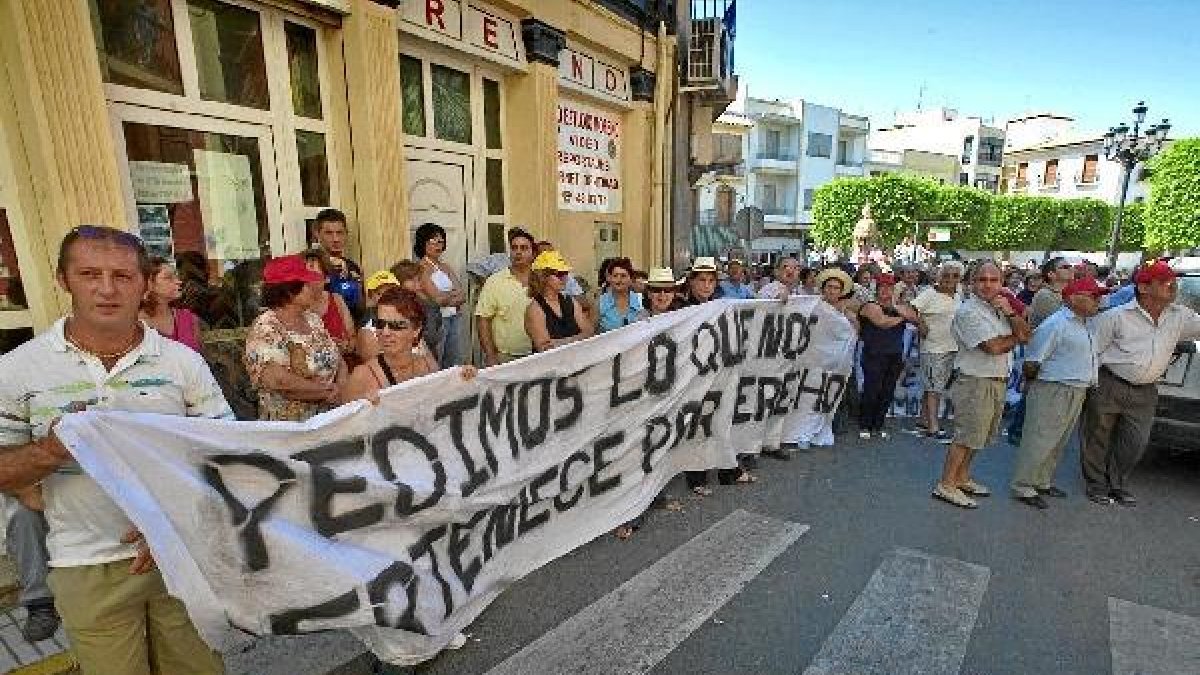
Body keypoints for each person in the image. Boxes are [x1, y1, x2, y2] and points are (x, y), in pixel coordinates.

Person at [0, 224, 230, 673]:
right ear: (63, 279)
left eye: (122, 276)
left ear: (144, 283)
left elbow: (223, 459)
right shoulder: (17, 370)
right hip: (85, 563)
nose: (107, 289)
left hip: (183, 552)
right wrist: (51, 450)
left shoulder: (182, 363)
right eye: (89, 274)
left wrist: (170, 521)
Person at [1084, 260, 1200, 506]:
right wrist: (1091, 386)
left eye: (1173, 281)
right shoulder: (1117, 317)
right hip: (1109, 383)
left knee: (1136, 442)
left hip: (1146, 391)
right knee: (1097, 436)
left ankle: (1116, 482)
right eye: (1165, 281)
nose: (1173, 286)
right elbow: (1090, 352)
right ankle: (1096, 484)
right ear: (1144, 288)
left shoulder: (1180, 316)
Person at [934, 262, 1030, 509]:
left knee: (980, 436)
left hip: (996, 380)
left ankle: (962, 477)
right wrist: (1016, 335)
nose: (988, 284)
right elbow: (993, 347)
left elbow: (1024, 333)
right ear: (971, 283)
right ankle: (946, 484)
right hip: (975, 381)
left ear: (1001, 283)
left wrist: (1011, 314)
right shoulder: (969, 312)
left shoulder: (999, 307)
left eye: (993, 280)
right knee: (966, 436)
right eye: (982, 280)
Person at [1010, 278, 1106, 509]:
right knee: (1040, 437)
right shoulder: (1057, 323)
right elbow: (1033, 360)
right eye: (1093, 296)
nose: (1098, 300)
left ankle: (1041, 481)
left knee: (1057, 440)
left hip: (1075, 388)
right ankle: (1024, 485)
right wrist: (1035, 385)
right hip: (1054, 387)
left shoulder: (1084, 323)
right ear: (1073, 299)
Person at [615, 268, 684, 540]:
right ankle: (634, 511)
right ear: (649, 295)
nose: (663, 295)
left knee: (662, 446)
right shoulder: (636, 322)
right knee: (641, 451)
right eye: (657, 291)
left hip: (672, 393)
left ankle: (658, 495)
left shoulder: (684, 319)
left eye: (667, 290)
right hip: (644, 395)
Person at [245, 255, 347, 421]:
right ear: (289, 292)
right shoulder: (266, 328)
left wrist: (341, 387)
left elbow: (338, 359)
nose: (313, 286)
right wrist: (325, 391)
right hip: (291, 428)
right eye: (306, 284)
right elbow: (279, 381)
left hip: (329, 417)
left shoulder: (313, 320)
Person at [344, 288, 477, 402]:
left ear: (416, 330)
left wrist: (462, 380)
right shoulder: (362, 376)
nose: (385, 332)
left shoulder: (428, 365)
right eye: (379, 324)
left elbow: (442, 401)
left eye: (396, 325)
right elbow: (342, 427)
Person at [857, 276, 917, 439]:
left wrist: (899, 309)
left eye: (889, 288)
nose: (886, 291)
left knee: (887, 391)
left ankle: (878, 424)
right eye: (882, 287)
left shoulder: (898, 306)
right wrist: (902, 316)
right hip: (874, 354)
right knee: (872, 389)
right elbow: (882, 322)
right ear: (876, 289)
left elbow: (915, 318)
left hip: (894, 354)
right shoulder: (870, 306)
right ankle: (865, 424)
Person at [910, 262, 963, 441]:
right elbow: (910, 309)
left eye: (955, 276)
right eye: (946, 275)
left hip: (952, 347)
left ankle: (924, 420)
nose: (950, 279)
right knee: (934, 389)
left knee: (933, 386)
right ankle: (933, 426)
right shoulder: (929, 294)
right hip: (933, 348)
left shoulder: (959, 294)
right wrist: (920, 324)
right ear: (939, 276)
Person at [477, 228, 536, 366]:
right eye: (514, 248)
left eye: (524, 248)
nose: (518, 252)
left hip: (538, 354)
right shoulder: (494, 281)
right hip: (505, 358)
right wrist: (490, 355)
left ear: (533, 253)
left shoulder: (541, 280)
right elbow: (483, 320)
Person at [415, 223, 466, 367]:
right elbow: (438, 300)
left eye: (441, 241)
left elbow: (462, 296)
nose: (438, 245)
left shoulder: (445, 266)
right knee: (436, 361)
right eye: (433, 241)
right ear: (423, 243)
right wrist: (451, 295)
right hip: (436, 321)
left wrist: (447, 297)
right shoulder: (421, 268)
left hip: (454, 317)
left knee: (453, 360)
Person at [526, 250, 593, 352]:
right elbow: (545, 348)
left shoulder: (569, 301)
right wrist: (578, 338)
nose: (564, 277)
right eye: (559, 274)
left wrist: (561, 342)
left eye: (565, 273)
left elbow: (589, 332)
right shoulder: (535, 309)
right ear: (543, 277)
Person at [302, 248, 357, 360]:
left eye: (312, 272)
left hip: (341, 363)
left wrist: (345, 346)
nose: (305, 278)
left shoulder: (337, 300)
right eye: (303, 273)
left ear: (326, 278)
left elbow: (353, 339)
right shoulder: (294, 306)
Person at [140, 257, 203, 353]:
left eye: (176, 276)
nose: (179, 282)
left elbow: (199, 359)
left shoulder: (189, 318)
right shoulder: (135, 324)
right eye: (169, 277)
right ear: (149, 284)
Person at [596, 257, 643, 333]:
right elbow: (593, 332)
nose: (619, 280)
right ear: (609, 278)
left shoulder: (641, 300)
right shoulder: (600, 302)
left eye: (623, 276)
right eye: (615, 276)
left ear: (631, 279)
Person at [1028, 257, 1073, 329]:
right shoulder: (1044, 294)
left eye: (1070, 266)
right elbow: (1066, 322)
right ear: (1051, 274)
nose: (1071, 269)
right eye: (1065, 267)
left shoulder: (1062, 293)